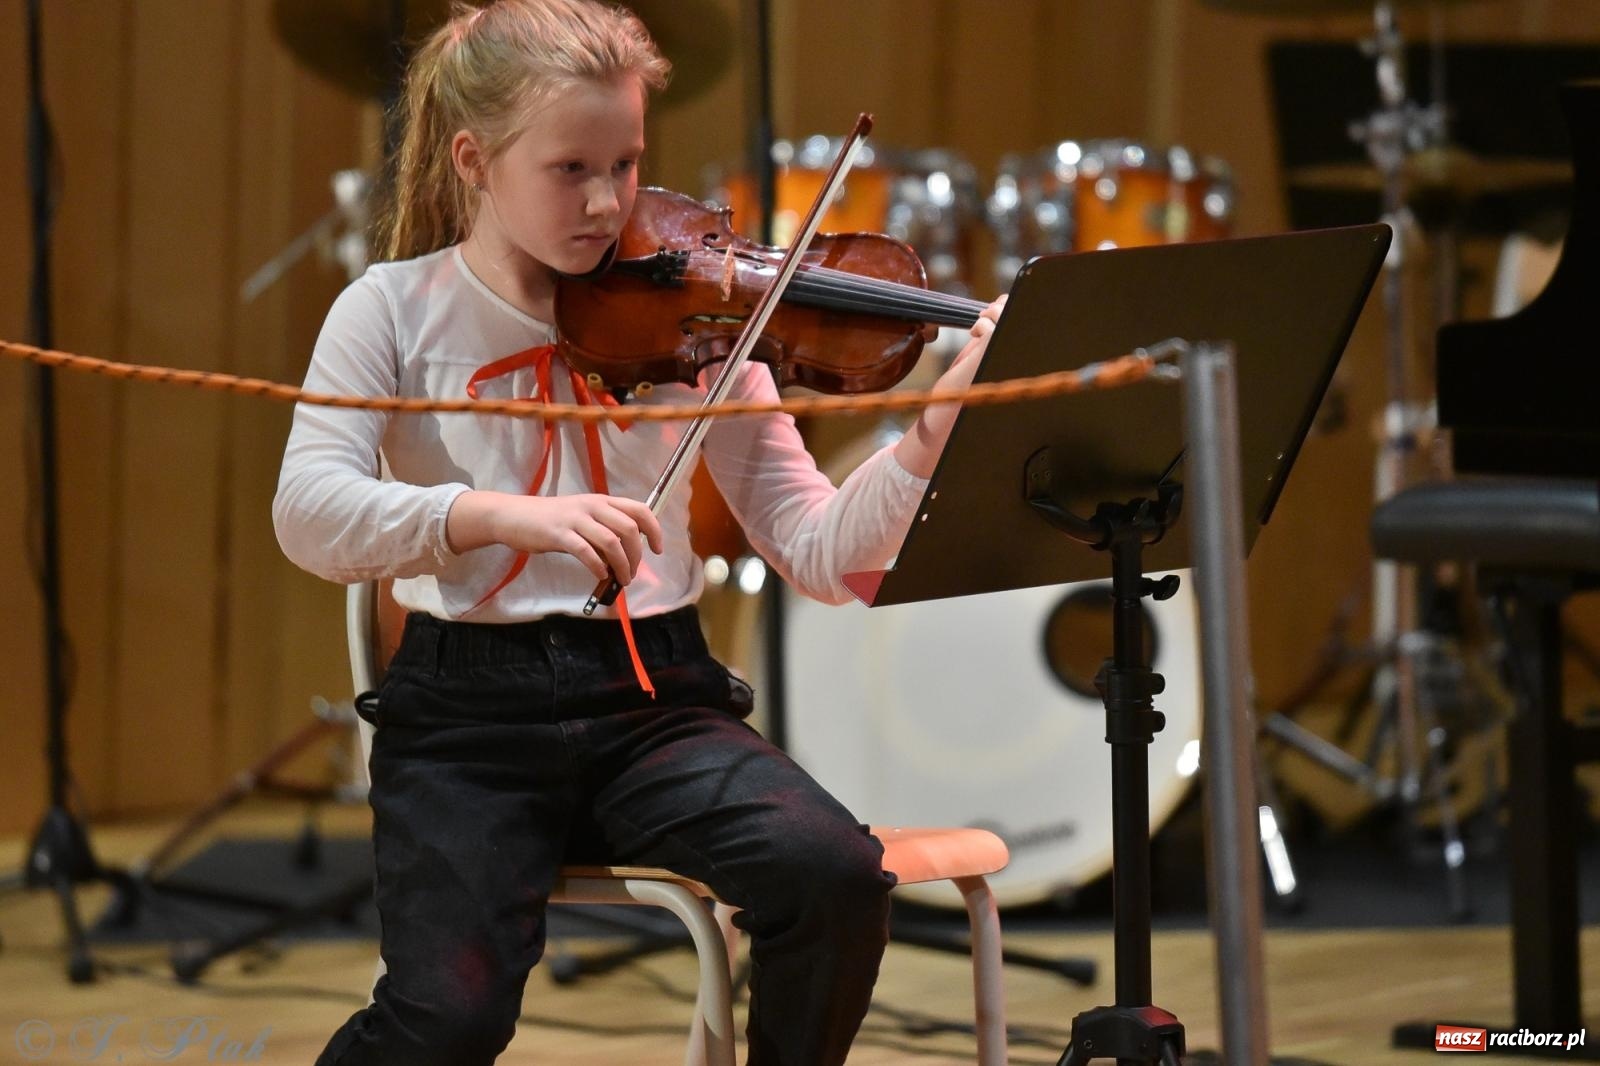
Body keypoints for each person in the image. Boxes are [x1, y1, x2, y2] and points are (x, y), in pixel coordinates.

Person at [272, 1, 1003, 1063]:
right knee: (448, 1015)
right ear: (474, 160)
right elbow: (308, 512)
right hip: (468, 723)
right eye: (570, 168)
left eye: (626, 163)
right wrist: (493, 515)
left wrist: (929, 438)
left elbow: (810, 537)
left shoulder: (702, 317)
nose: (610, 202)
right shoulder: (389, 311)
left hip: (654, 704)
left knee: (831, 876)